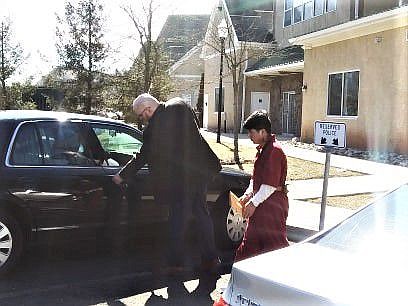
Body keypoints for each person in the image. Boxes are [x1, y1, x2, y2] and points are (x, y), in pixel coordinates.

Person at [112, 93, 221, 278]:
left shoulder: (154, 128)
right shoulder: (180, 105)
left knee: (177, 220)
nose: (142, 119)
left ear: (148, 109)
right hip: (199, 174)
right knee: (202, 215)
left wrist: (122, 175)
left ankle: (175, 264)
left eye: (141, 115)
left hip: (180, 180)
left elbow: (143, 155)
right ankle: (210, 259)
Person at [235, 110, 289, 262]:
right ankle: (237, 283)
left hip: (273, 207)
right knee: (247, 250)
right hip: (260, 206)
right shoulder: (263, 150)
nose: (249, 136)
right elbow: (256, 179)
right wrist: (247, 195)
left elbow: (270, 186)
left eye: (252, 132)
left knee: (275, 250)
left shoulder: (274, 151)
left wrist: (253, 203)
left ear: (263, 132)